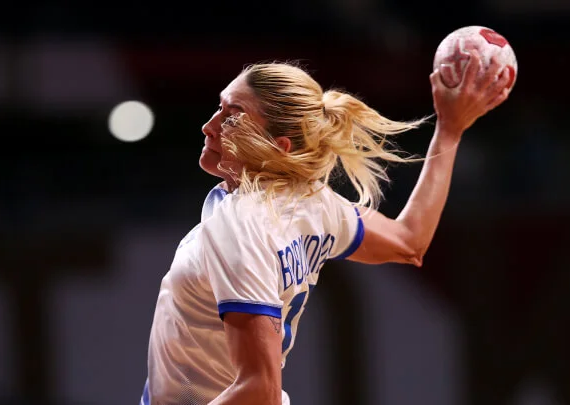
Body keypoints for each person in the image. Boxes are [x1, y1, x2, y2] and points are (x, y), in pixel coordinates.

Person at [142, 51, 511, 405]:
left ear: (279, 147)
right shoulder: (311, 201)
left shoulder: (241, 224)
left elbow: (259, 392)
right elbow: (408, 241)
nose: (209, 126)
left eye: (233, 117)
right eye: (220, 107)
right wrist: (449, 129)